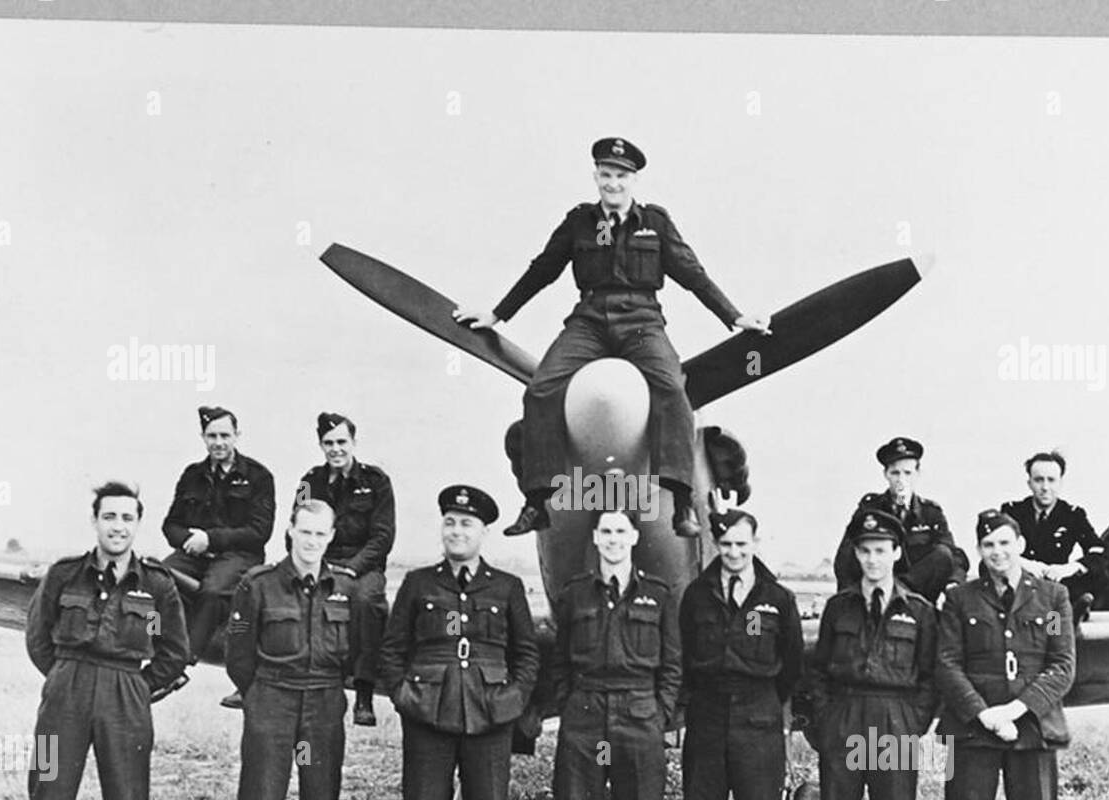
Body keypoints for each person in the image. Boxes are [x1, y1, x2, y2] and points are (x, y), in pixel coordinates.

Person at [453, 137, 770, 539]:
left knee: (672, 388)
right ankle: (537, 501)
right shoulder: (579, 222)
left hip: (642, 319)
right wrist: (497, 314)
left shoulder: (655, 222)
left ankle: (680, 500)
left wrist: (735, 316)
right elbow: (543, 269)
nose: (613, 183)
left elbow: (692, 274)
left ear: (633, 180)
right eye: (606, 175)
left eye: (621, 176)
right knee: (542, 389)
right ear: (596, 176)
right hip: (589, 319)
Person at [0, 482, 190, 800]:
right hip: (65, 694)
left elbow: (174, 650)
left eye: (127, 518)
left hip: (125, 693)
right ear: (95, 521)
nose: (117, 526)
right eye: (109, 517)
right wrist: (63, 677)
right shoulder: (65, 575)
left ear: (137, 524)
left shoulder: (157, 585)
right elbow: (38, 635)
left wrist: (139, 690)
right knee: (47, 798)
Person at [379, 486, 540, 800]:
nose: (456, 530)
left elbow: (527, 655)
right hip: (429, 717)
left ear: (483, 532)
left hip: (489, 719)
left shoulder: (506, 587)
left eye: (466, 524)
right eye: (450, 522)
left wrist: (511, 700)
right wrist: (407, 697)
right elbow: (392, 651)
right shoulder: (418, 584)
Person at [928, 509, 1076, 800]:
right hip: (974, 733)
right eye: (988, 545)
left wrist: (1017, 710)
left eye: (1005, 543)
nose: (997, 552)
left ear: (1019, 546)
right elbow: (947, 663)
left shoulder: (1052, 598)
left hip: (1031, 732)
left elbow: (1061, 665)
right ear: (979, 551)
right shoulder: (959, 600)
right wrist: (985, 714)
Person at [547, 508, 682, 800]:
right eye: (605, 531)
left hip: (638, 713)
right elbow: (561, 659)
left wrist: (658, 713)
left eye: (621, 531)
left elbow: (673, 664)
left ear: (635, 537)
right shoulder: (575, 595)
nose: (613, 539)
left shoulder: (659, 596)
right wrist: (570, 703)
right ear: (596, 538)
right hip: (586, 713)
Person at [226, 500, 360, 800]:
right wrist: (261, 696)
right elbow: (239, 655)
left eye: (321, 535)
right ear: (290, 531)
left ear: (332, 537)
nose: (312, 542)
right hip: (273, 700)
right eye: (305, 532)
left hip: (323, 703)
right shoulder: (258, 584)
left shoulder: (344, 586)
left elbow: (356, 651)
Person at [805, 509, 937, 800]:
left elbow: (930, 680)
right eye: (865, 551)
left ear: (897, 553)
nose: (873, 560)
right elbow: (818, 671)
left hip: (894, 720)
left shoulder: (918, 610)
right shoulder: (838, 607)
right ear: (855, 554)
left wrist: (912, 723)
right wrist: (825, 724)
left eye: (881, 551)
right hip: (845, 716)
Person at [671, 510, 803, 800]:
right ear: (716, 545)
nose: (733, 553)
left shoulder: (778, 598)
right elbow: (685, 656)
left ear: (755, 544)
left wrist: (764, 701)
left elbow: (793, 664)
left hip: (758, 716)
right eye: (726, 545)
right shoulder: (696, 595)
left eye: (741, 545)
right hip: (708, 714)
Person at [163, 405, 276, 708]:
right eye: (212, 436)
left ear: (237, 435)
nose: (218, 442)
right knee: (156, 578)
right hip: (195, 553)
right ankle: (156, 645)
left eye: (225, 435)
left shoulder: (259, 476)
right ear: (202, 437)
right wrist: (188, 539)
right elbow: (170, 523)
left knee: (212, 592)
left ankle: (182, 665)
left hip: (240, 555)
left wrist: (210, 538)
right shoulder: (192, 475)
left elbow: (259, 531)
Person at [293, 412, 396, 726]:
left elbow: (383, 536)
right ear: (320, 445)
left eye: (341, 442)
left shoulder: (376, 481)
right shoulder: (310, 481)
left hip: (364, 565)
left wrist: (352, 568)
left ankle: (364, 692)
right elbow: (296, 524)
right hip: (322, 560)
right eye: (328, 443)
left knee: (366, 603)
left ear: (353, 442)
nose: (335, 449)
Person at [833, 437, 967, 604]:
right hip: (875, 591)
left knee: (942, 554)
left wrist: (953, 583)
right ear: (886, 474)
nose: (901, 480)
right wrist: (847, 602)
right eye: (895, 473)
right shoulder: (870, 510)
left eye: (907, 473)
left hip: (918, 599)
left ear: (918, 474)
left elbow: (953, 556)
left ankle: (901, 600)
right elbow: (845, 559)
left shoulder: (931, 513)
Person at [1000, 450, 1109, 622]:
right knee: (990, 567)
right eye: (1039, 480)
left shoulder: (1072, 515)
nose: (1045, 487)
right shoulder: (1013, 511)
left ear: (1060, 483)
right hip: (1023, 581)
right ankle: (1063, 615)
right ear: (1029, 483)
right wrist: (1027, 564)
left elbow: (1100, 549)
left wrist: (1069, 568)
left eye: (1051, 480)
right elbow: (999, 548)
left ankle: (1070, 613)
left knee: (1100, 574)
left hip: (1057, 583)